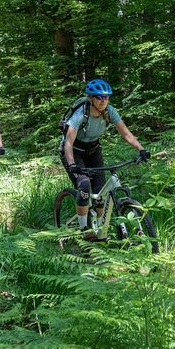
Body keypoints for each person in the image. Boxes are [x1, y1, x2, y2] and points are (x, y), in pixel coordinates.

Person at [60, 79, 151, 240]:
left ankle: (100, 230)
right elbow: (68, 142)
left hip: (93, 150)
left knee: (100, 193)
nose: (103, 101)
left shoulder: (110, 111)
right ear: (91, 98)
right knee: (84, 185)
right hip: (73, 152)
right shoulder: (81, 113)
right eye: (99, 97)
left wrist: (141, 149)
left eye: (106, 97)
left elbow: (126, 134)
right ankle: (85, 230)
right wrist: (72, 164)